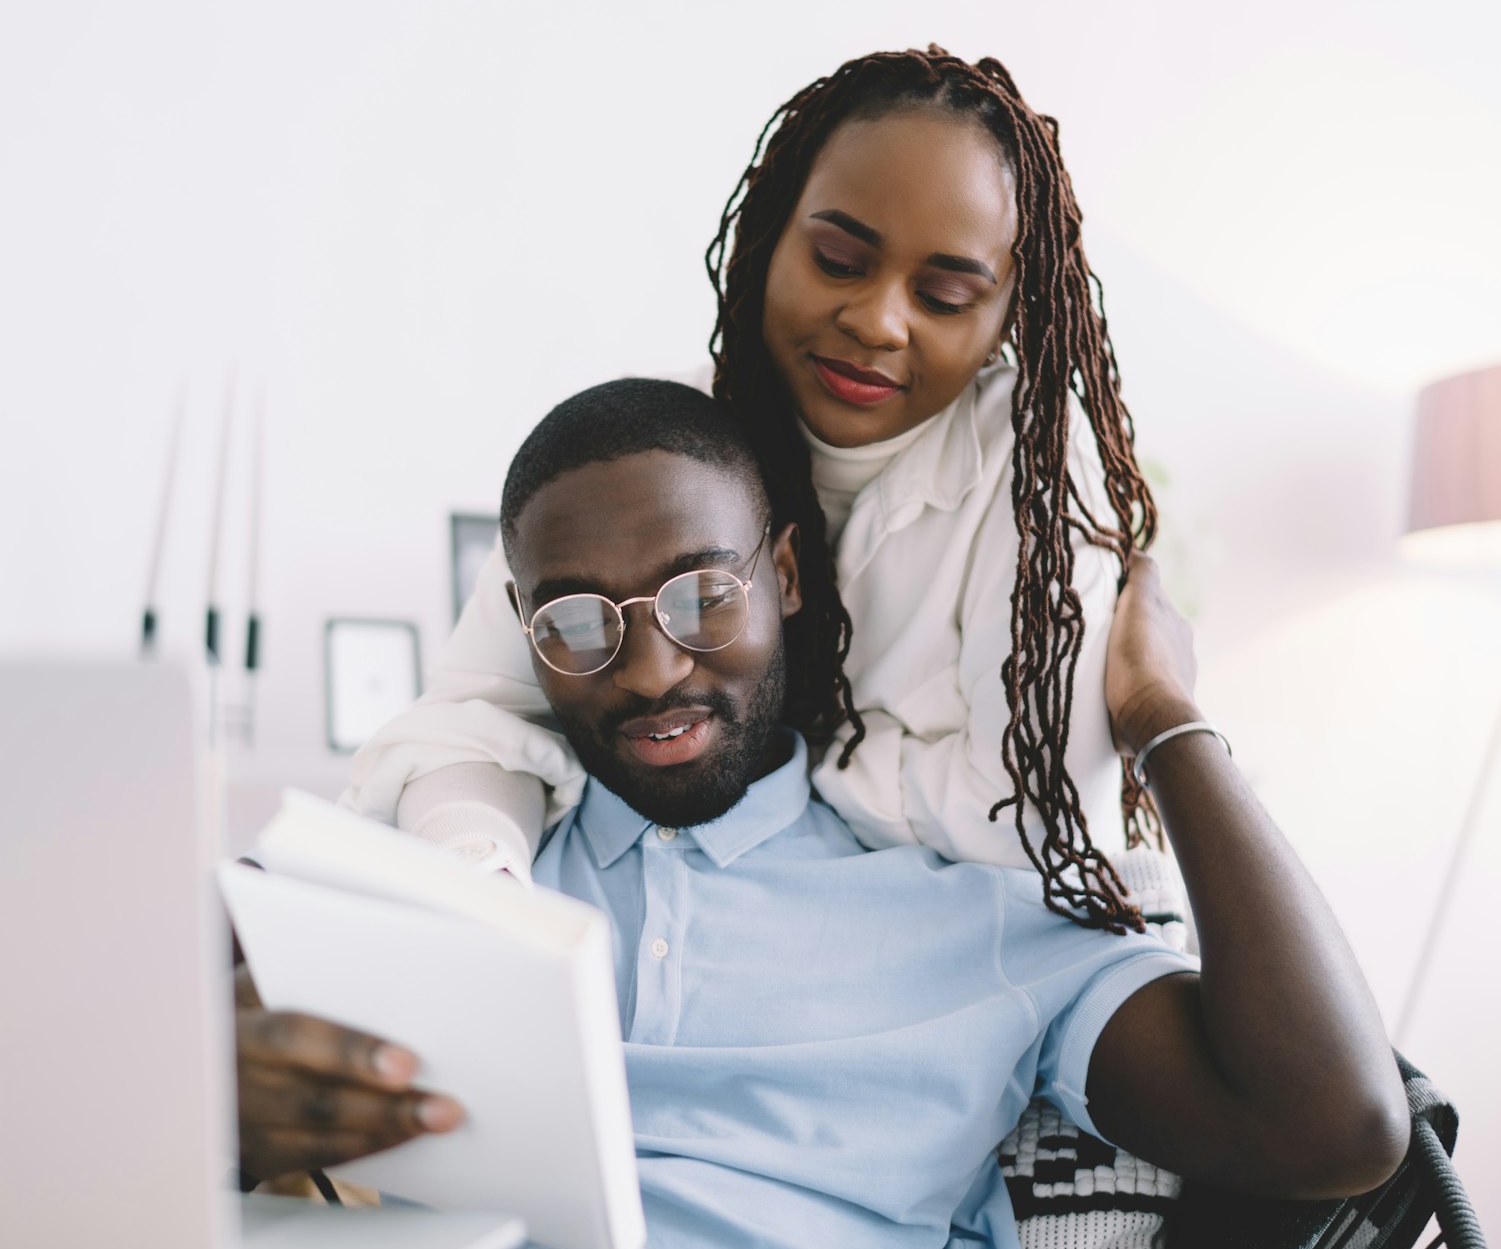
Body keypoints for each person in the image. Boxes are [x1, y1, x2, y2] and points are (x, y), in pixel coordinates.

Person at [236, 380, 1407, 1249]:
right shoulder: (450, 880)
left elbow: (1335, 1123)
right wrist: (223, 1124)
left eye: (701, 596)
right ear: (520, 628)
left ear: (781, 577)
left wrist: (1160, 718)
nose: (649, 672)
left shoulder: (975, 906)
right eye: (578, 623)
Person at [343, 46, 1175, 934]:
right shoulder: (657, 449)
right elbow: (471, 726)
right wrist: (480, 877)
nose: (877, 321)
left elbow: (1027, 814)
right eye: (838, 259)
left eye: (941, 295)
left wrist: (787, 747)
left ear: (1013, 313)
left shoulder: (1036, 485)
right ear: (771, 235)